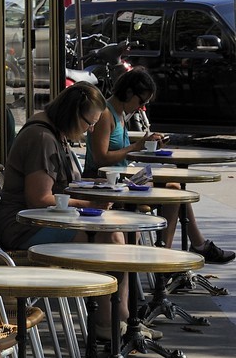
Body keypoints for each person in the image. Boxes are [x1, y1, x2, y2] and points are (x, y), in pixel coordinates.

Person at [0, 80, 127, 335]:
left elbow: (60, 189)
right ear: (72, 114)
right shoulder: (42, 138)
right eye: (89, 123)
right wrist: (89, 203)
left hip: (40, 223)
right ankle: (109, 323)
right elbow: (40, 199)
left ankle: (119, 319)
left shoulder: (52, 132)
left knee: (114, 233)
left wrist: (92, 188)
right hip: (25, 229)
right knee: (108, 237)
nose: (90, 130)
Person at [86, 67, 234, 264]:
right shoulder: (106, 114)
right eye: (141, 102)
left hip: (122, 180)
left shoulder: (120, 113)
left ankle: (171, 255)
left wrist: (146, 145)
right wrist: (135, 147)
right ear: (129, 92)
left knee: (175, 187)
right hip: (106, 183)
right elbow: (100, 158)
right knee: (173, 191)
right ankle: (178, 254)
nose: (141, 107)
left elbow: (120, 149)